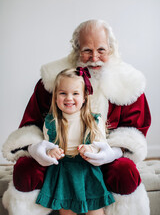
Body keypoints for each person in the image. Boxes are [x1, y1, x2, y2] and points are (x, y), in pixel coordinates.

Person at [2, 19, 151, 215]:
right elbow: (32, 123)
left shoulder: (129, 84)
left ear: (111, 50)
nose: (94, 57)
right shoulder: (52, 79)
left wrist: (112, 152)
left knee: (124, 172)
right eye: (87, 50)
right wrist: (35, 147)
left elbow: (135, 130)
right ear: (76, 49)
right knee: (25, 169)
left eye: (101, 50)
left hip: (104, 157)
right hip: (61, 159)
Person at [36, 67, 115, 215]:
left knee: (96, 210)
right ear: (55, 97)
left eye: (75, 93)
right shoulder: (51, 122)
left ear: (84, 97)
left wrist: (91, 149)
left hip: (88, 170)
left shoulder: (93, 120)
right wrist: (51, 151)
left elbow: (102, 146)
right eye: (63, 93)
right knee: (67, 211)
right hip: (63, 171)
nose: (69, 98)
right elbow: (46, 145)